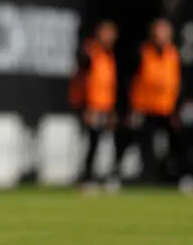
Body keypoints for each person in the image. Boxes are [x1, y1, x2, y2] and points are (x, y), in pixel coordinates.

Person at [112, 18, 181, 186]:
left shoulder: (174, 53)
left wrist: (177, 107)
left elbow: (178, 82)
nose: (161, 36)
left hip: (167, 108)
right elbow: (127, 80)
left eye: (164, 32)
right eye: (158, 32)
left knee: (176, 143)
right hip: (144, 107)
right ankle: (142, 175)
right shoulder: (141, 52)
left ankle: (174, 175)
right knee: (139, 142)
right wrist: (129, 107)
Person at [70, 21, 118, 192]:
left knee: (105, 144)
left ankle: (104, 176)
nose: (109, 37)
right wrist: (87, 107)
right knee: (91, 142)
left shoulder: (109, 55)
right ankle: (86, 177)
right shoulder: (90, 52)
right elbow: (84, 80)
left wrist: (111, 108)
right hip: (91, 105)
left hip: (105, 105)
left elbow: (109, 84)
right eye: (106, 32)